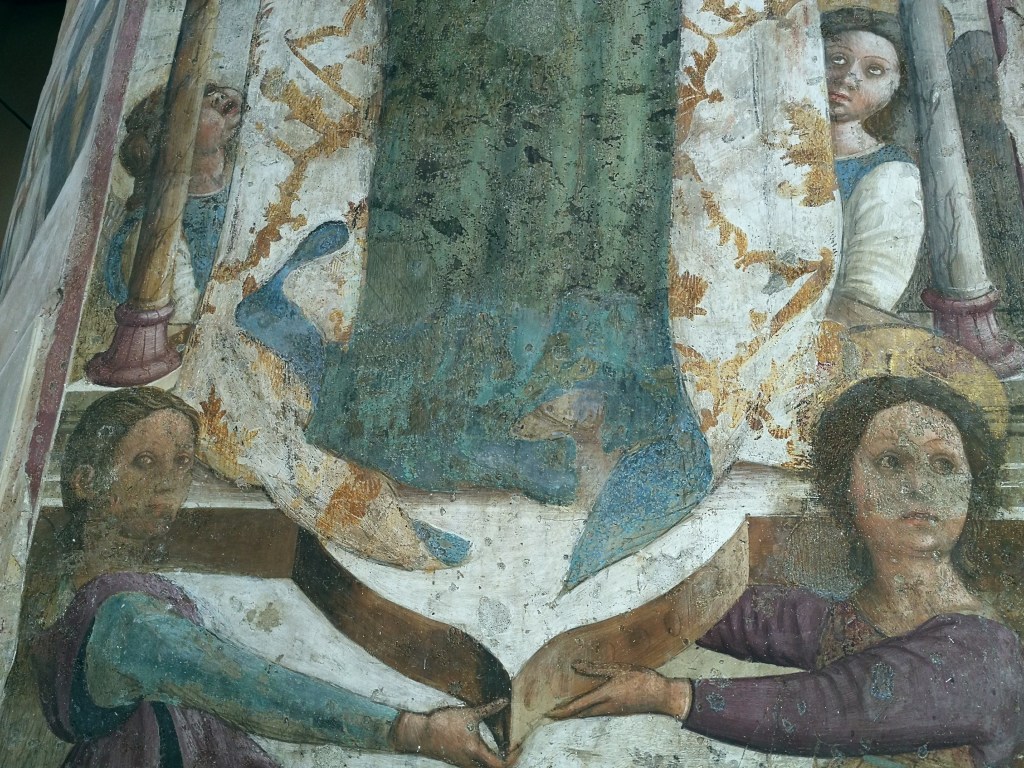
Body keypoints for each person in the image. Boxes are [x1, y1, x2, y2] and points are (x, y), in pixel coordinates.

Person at [548, 375, 1024, 766]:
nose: (919, 485)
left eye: (944, 465)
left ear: (972, 488)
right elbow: (720, 610)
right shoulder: (851, 618)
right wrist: (620, 542)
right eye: (892, 461)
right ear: (845, 485)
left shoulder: (987, 652)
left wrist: (669, 696)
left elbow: (831, 705)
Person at [34, 387, 510, 768]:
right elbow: (250, 688)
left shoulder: (72, 589)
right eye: (145, 461)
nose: (168, 481)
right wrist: (414, 730)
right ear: (86, 480)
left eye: (182, 462)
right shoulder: (127, 617)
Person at [103, 83, 243, 325]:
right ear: (173, 139)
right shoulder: (155, 230)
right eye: (198, 102)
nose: (215, 96)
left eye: (211, 90)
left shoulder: (241, 178)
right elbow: (189, 314)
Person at [821, 8, 925, 323]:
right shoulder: (771, 151)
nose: (847, 78)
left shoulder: (891, 175)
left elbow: (865, 303)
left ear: (895, 86)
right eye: (837, 59)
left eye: (874, 70)